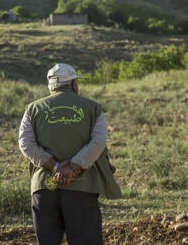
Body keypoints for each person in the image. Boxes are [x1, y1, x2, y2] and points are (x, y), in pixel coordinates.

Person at [19, 63, 122, 245]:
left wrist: (56, 167)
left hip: (44, 188)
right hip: (82, 187)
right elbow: (98, 142)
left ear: (51, 86)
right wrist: (74, 166)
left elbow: (25, 144)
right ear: (74, 84)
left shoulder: (32, 109)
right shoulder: (93, 108)